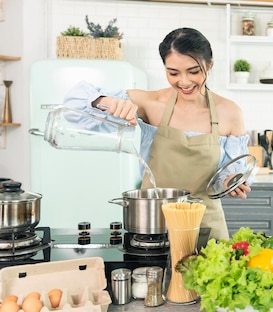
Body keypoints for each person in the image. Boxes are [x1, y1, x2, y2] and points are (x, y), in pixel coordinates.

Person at [63, 27, 252, 240]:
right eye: (173, 73)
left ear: (209, 64)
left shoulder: (229, 112)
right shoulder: (150, 103)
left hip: (206, 228)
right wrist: (104, 102)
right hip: (153, 225)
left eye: (194, 71)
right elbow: (72, 107)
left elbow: (228, 174)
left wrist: (229, 182)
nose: (184, 82)